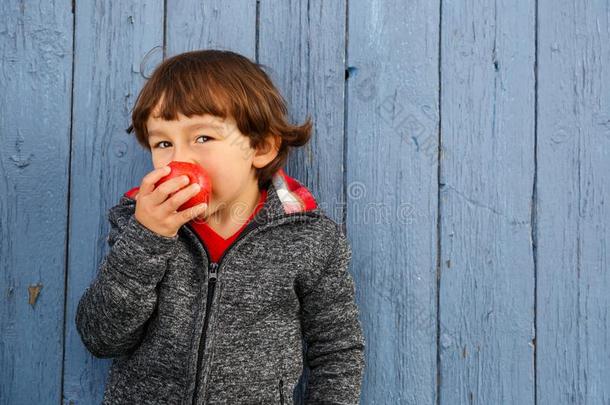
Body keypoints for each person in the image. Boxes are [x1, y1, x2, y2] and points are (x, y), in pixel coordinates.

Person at [75, 49, 366, 404]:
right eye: (163, 143)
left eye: (202, 138)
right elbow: (102, 337)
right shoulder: (136, 224)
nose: (179, 158)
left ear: (259, 147)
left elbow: (337, 351)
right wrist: (147, 238)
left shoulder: (309, 238)